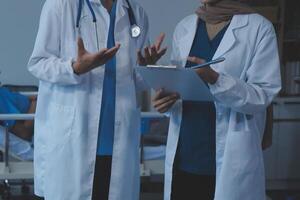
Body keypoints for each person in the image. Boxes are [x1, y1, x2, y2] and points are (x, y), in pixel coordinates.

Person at [28, 0, 166, 199]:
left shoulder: (135, 13)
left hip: (119, 140)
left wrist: (148, 68)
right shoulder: (61, 5)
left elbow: (134, 80)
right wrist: (74, 68)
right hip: (74, 138)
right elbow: (38, 63)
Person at [152, 0, 282, 200]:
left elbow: (263, 94)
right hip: (185, 155)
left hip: (230, 158)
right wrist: (165, 98)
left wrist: (216, 79)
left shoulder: (259, 28)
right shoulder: (185, 26)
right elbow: (181, 88)